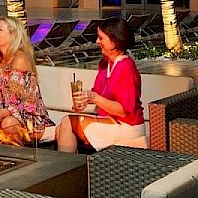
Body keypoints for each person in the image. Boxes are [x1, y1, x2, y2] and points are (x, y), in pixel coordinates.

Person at [56, 17, 143, 153]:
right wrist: (85, 101)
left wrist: (94, 98)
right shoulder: (105, 64)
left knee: (67, 122)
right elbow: (97, 93)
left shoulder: (126, 67)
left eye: (101, 38)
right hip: (110, 120)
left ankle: (66, 170)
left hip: (127, 125)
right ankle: (75, 167)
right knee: (60, 128)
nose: (97, 42)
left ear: (115, 40)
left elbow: (123, 110)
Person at [0, 16, 53, 146]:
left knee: (8, 124)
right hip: (3, 114)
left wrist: (4, 113)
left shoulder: (19, 60)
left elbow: (28, 101)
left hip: (28, 116)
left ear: (13, 34)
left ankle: (20, 159)